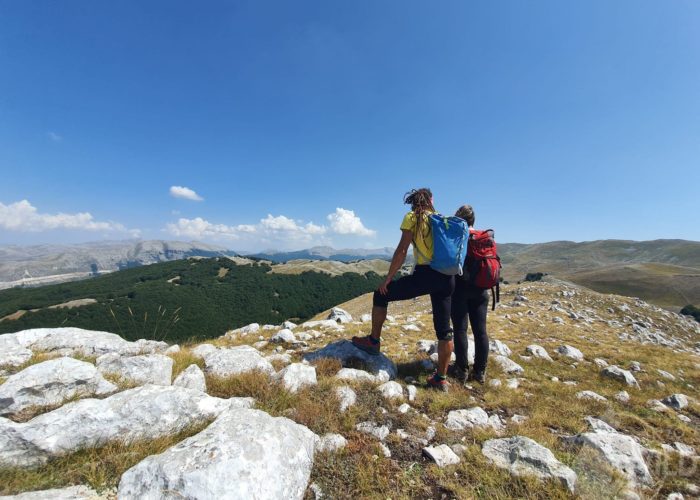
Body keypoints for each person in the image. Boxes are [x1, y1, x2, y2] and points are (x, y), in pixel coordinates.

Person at [351, 188, 455, 391]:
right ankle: (441, 379)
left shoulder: (412, 218)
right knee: (444, 331)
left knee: (380, 295)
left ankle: (373, 341)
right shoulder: (441, 220)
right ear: (431, 201)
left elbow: (401, 250)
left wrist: (388, 279)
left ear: (413, 202)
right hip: (448, 278)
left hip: (427, 274)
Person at [450, 204, 489, 384]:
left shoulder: (459, 237)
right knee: (481, 332)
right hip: (482, 290)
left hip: (461, 289)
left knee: (460, 329)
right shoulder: (483, 238)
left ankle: (462, 369)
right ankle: (480, 371)